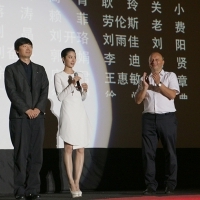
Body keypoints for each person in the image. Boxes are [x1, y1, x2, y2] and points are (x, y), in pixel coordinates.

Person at [4, 37, 49, 200]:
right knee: (21, 155)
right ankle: (20, 191)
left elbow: (45, 90)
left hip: (38, 117)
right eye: (24, 46)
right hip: (20, 117)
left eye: (30, 46)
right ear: (17, 50)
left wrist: (37, 109)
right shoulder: (10, 69)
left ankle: (33, 190)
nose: (28, 49)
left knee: (36, 155)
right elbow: (12, 92)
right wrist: (26, 109)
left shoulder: (40, 69)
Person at [135, 52, 180, 195]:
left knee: (170, 152)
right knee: (148, 153)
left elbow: (172, 95)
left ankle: (170, 184)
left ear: (163, 62)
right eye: (151, 60)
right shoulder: (144, 79)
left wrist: (159, 83)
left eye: (157, 59)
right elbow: (138, 100)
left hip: (166, 118)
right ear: (149, 63)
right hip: (148, 119)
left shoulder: (170, 76)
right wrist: (144, 87)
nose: (154, 62)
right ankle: (150, 185)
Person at [54, 48, 91, 198]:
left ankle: (77, 181)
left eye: (74, 57)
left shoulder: (78, 75)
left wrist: (85, 91)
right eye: (69, 57)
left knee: (80, 149)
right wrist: (71, 84)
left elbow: (80, 98)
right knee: (68, 147)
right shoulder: (59, 75)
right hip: (68, 112)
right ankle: (70, 181)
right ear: (63, 58)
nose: (72, 59)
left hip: (79, 112)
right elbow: (60, 97)